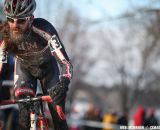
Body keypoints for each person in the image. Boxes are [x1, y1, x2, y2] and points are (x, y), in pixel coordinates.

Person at [0, 0, 73, 130]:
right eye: (10, 19)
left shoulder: (43, 28)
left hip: (48, 71)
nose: (14, 25)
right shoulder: (5, 34)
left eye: (21, 20)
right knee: (23, 117)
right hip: (24, 70)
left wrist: (64, 83)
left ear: (31, 19)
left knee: (59, 118)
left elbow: (66, 63)